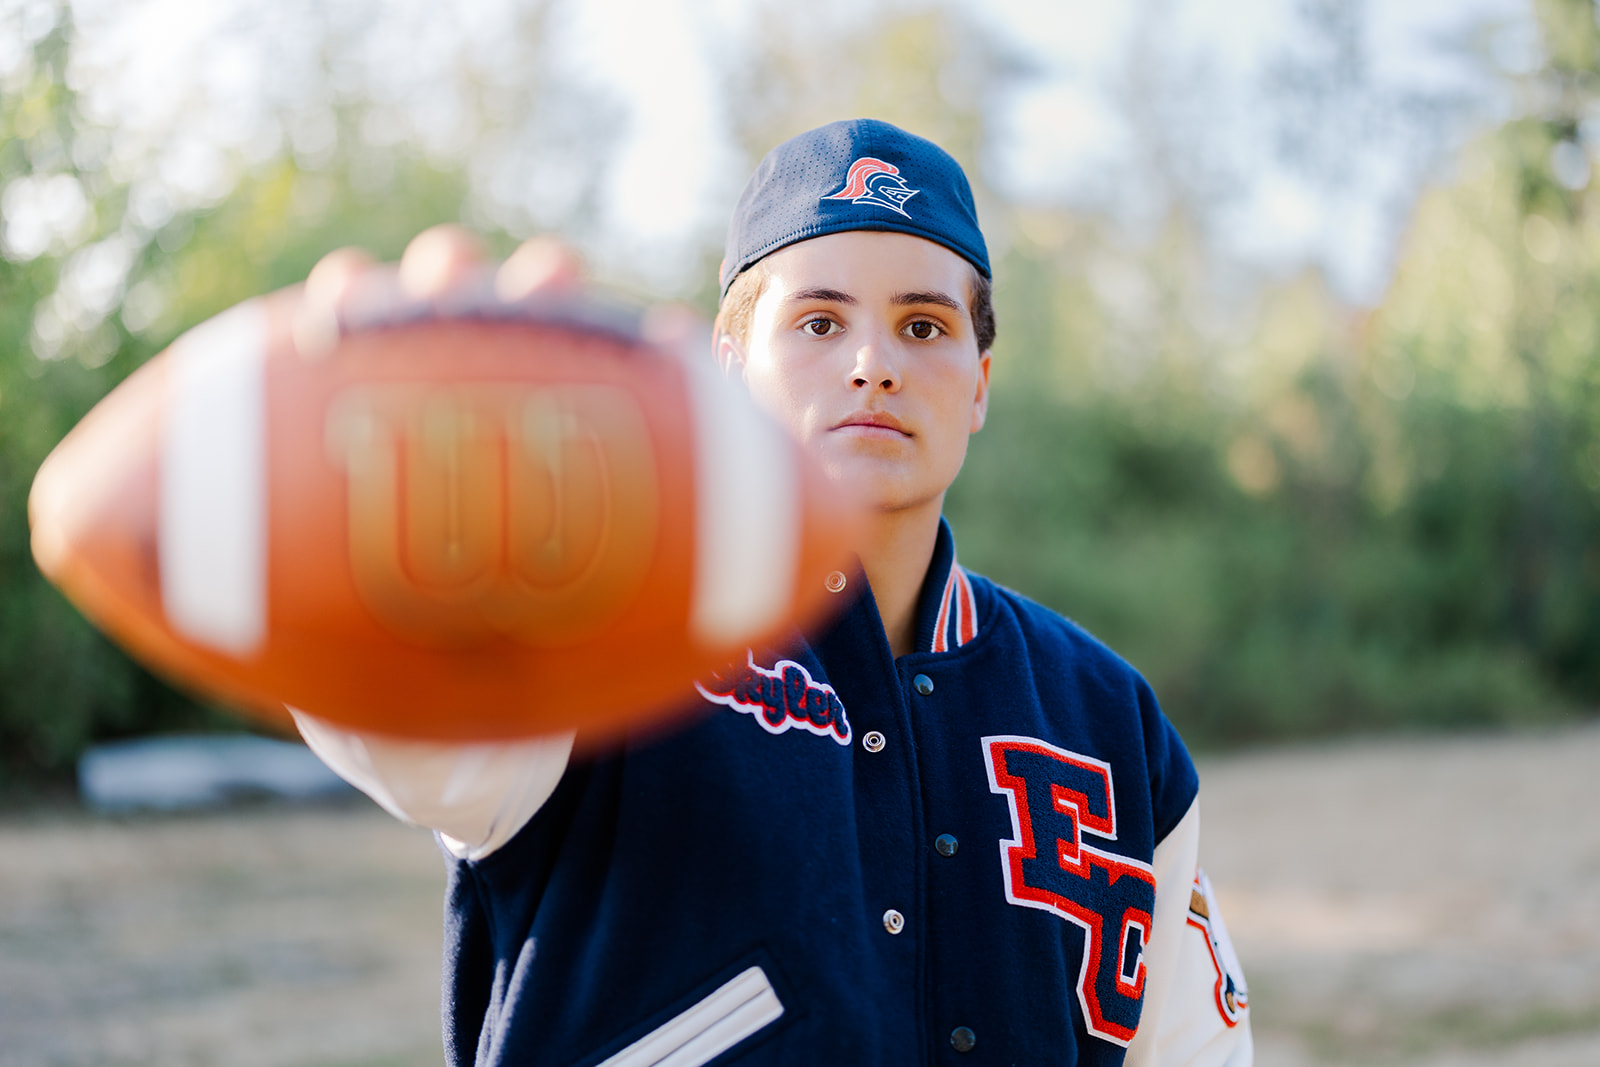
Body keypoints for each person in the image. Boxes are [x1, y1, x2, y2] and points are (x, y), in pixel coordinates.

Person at [295, 118, 1252, 1066]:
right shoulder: (607, 626)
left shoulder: (1108, 715)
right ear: (728, 362)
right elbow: (409, 722)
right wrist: (393, 527)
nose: (873, 363)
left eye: (925, 325)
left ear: (980, 384)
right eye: (819, 321)